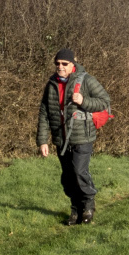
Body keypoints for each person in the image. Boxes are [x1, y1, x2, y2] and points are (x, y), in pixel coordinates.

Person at [37, 48, 111, 225]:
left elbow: (105, 101)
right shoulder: (51, 84)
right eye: (57, 63)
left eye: (64, 63)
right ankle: (75, 209)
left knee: (79, 172)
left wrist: (83, 101)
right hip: (61, 138)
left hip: (82, 136)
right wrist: (42, 141)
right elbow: (44, 113)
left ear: (72, 64)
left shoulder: (86, 80)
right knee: (68, 176)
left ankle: (88, 205)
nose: (60, 67)